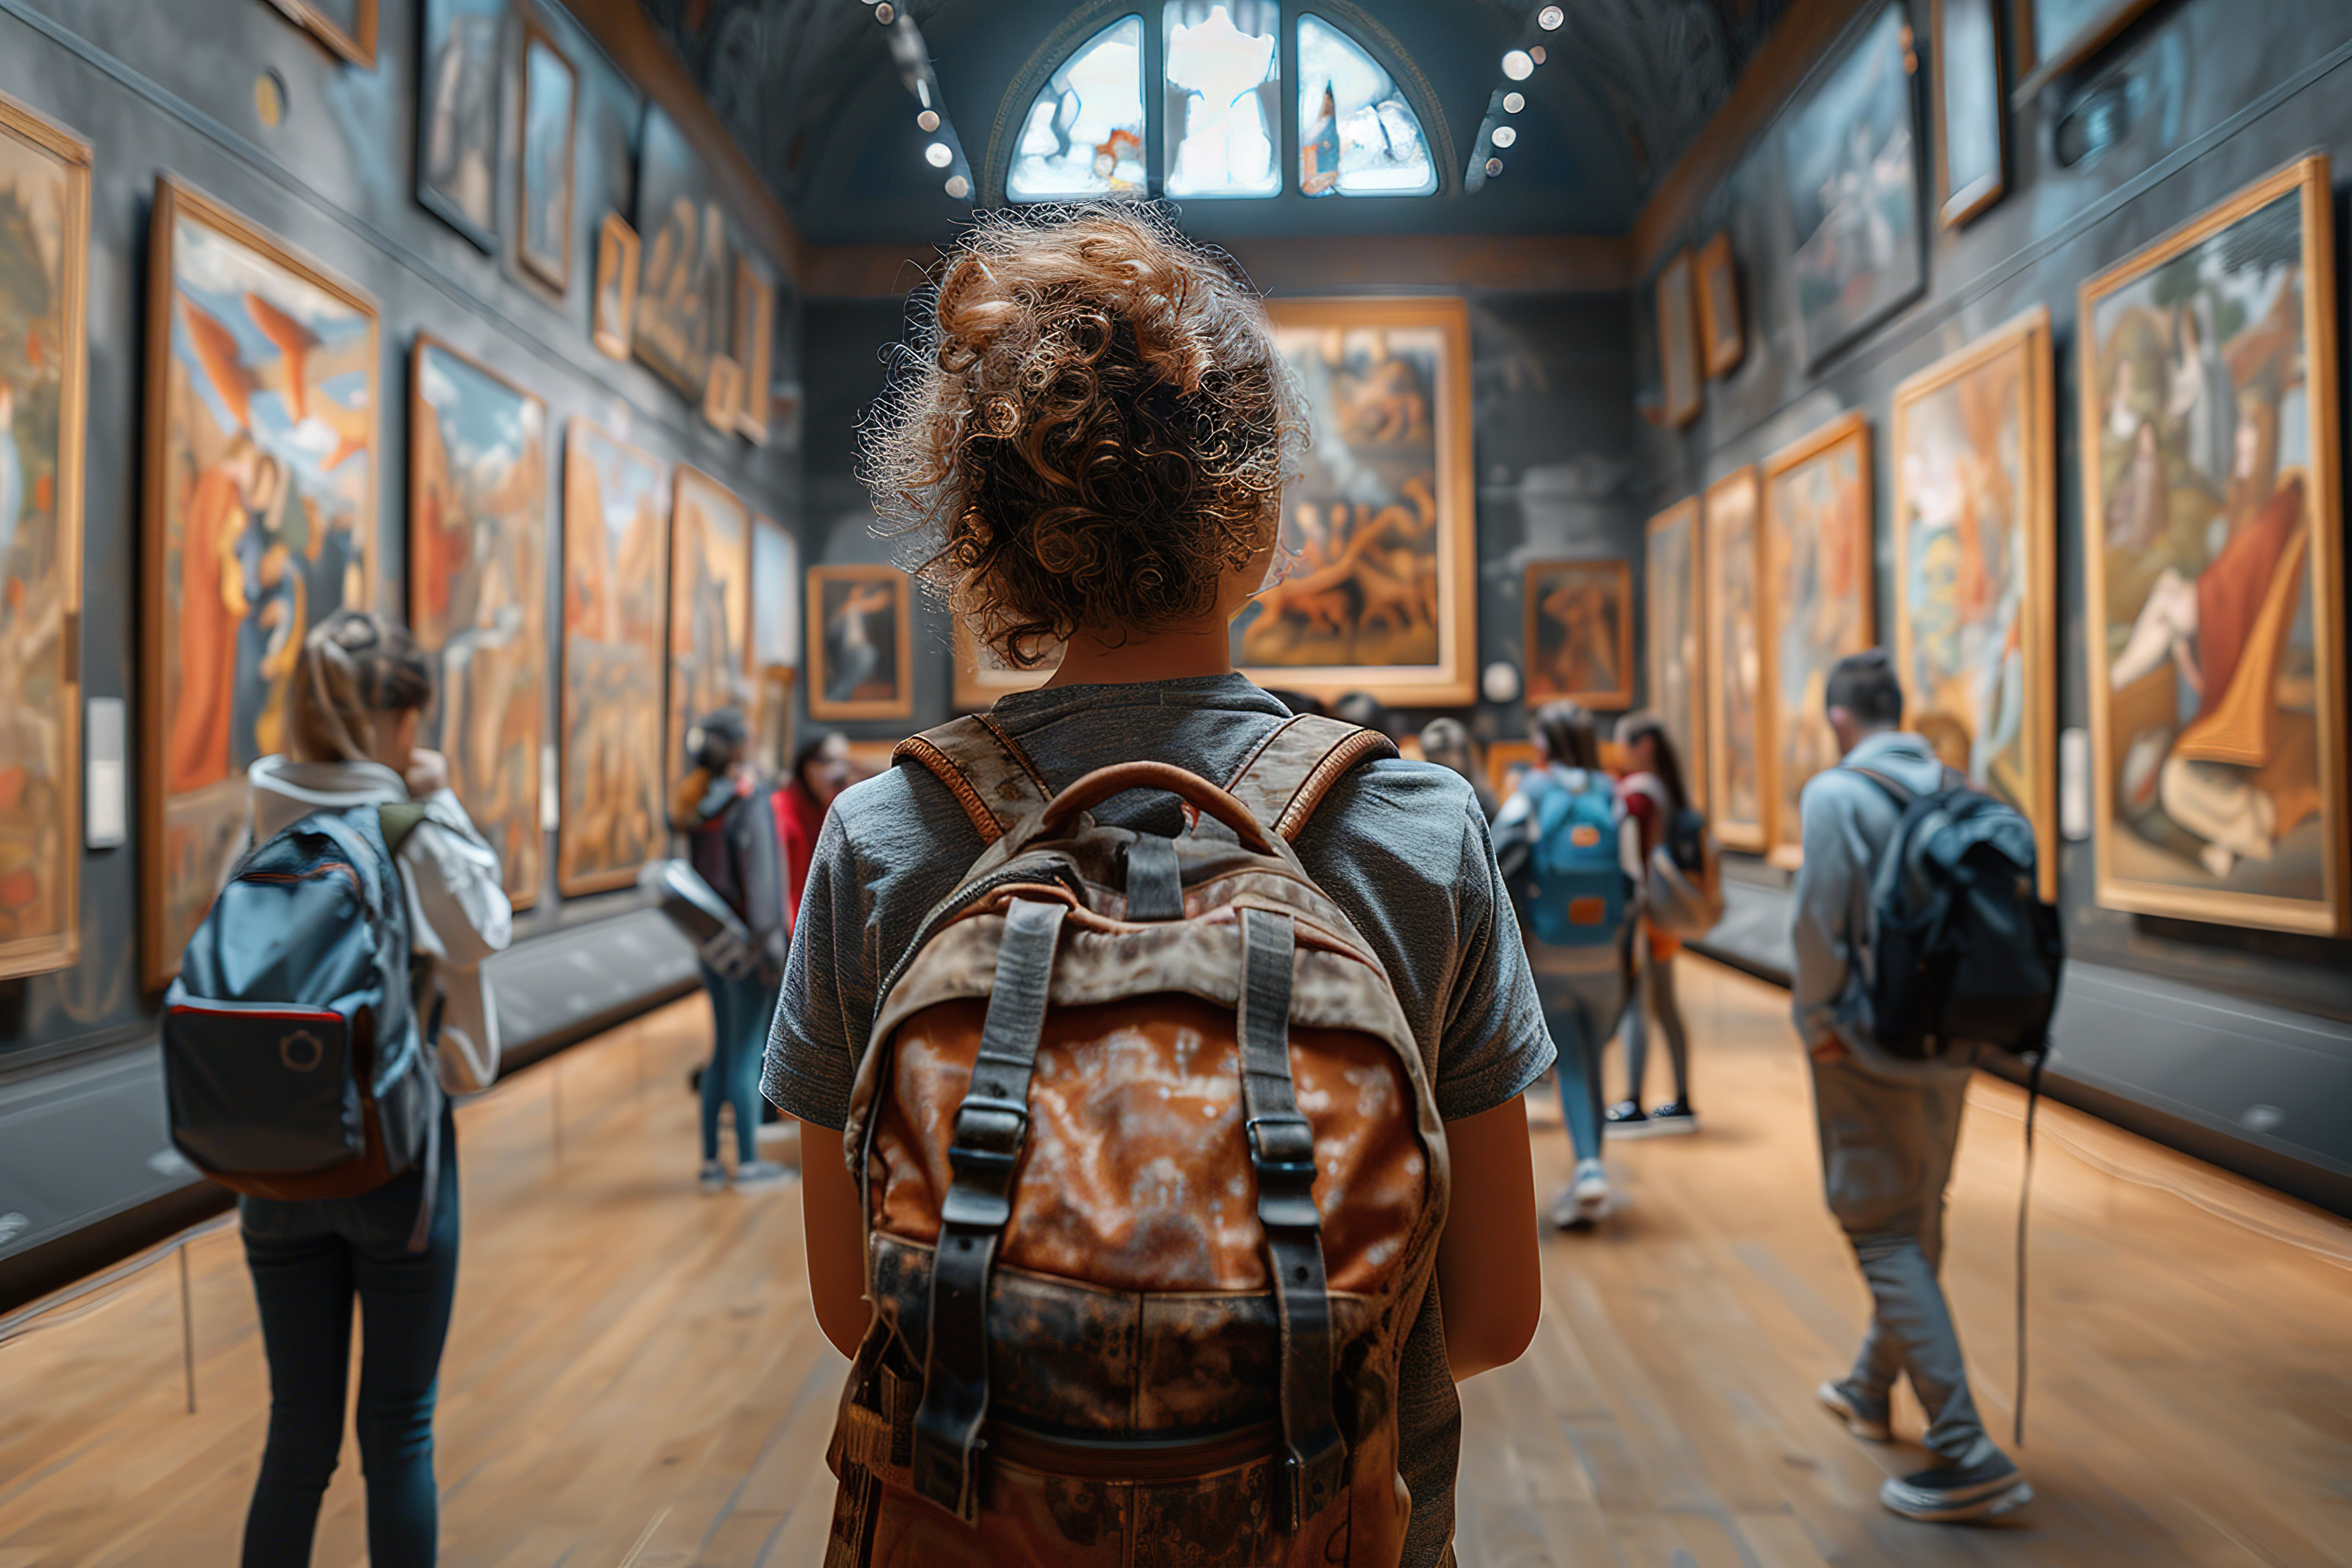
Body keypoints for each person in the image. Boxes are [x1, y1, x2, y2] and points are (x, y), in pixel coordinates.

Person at [765, 206, 1547, 1568]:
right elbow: (1490, 1315)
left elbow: (860, 1307)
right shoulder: (1418, 831)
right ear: (1256, 518)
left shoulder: (884, 840)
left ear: (994, 535)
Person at [236, 610, 512, 1567]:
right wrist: (442, 803)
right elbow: (483, 927)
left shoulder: (266, 807)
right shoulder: (404, 819)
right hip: (395, 1154)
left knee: (296, 1435)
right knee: (398, 1431)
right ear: (395, 719)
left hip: (270, 1154)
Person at [1791, 649, 2031, 1523]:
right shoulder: (1959, 787)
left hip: (1864, 1044)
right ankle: (1868, 1383)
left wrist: (1814, 1019)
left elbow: (1819, 919)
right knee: (1922, 1213)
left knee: (1882, 1227)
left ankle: (1966, 1447)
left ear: (1840, 718)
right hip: (1954, 1039)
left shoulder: (1836, 795)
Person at [1494, 700, 1642, 1229]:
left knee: (1573, 1061)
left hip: (1550, 953)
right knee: (1589, 1061)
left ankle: (1588, 1169)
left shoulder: (1530, 795)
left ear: (1542, 745)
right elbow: (1632, 879)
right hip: (1605, 955)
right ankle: (1590, 1168)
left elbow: (1497, 862)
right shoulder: (1612, 795)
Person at [672, 707, 793, 1193]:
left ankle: (708, 1162)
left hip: (709, 941)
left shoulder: (698, 800)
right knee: (747, 1051)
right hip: (749, 942)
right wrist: (774, 946)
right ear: (741, 744)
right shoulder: (749, 800)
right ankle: (747, 1162)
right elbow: (763, 882)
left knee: (721, 1050)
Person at [1606, 711, 1699, 1134]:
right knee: (1666, 1005)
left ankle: (1634, 1100)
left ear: (1643, 746)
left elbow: (1626, 854)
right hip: (1664, 916)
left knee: (1636, 1007)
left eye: (1626, 745)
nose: (1621, 755)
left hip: (1643, 914)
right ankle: (1682, 1098)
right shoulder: (1669, 790)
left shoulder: (1637, 794)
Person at [773, 729, 851, 931]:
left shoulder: (831, 806)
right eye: (832, 762)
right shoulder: (781, 808)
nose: (840, 773)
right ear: (810, 767)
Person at [1419, 715, 1500, 822]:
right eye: (1432, 761)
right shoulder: (1425, 796)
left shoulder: (1481, 798)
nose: (1440, 767)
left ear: (1464, 754)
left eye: (1446, 754)